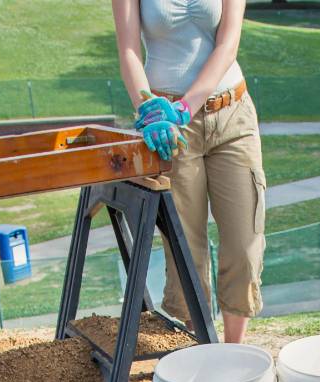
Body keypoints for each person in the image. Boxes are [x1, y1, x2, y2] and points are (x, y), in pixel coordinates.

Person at [113, 0, 265, 344]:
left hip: (233, 115)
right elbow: (128, 52)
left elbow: (228, 45)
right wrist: (149, 110)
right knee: (185, 248)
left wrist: (187, 106)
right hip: (169, 125)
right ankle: (203, 348)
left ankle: (233, 352)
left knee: (245, 242)